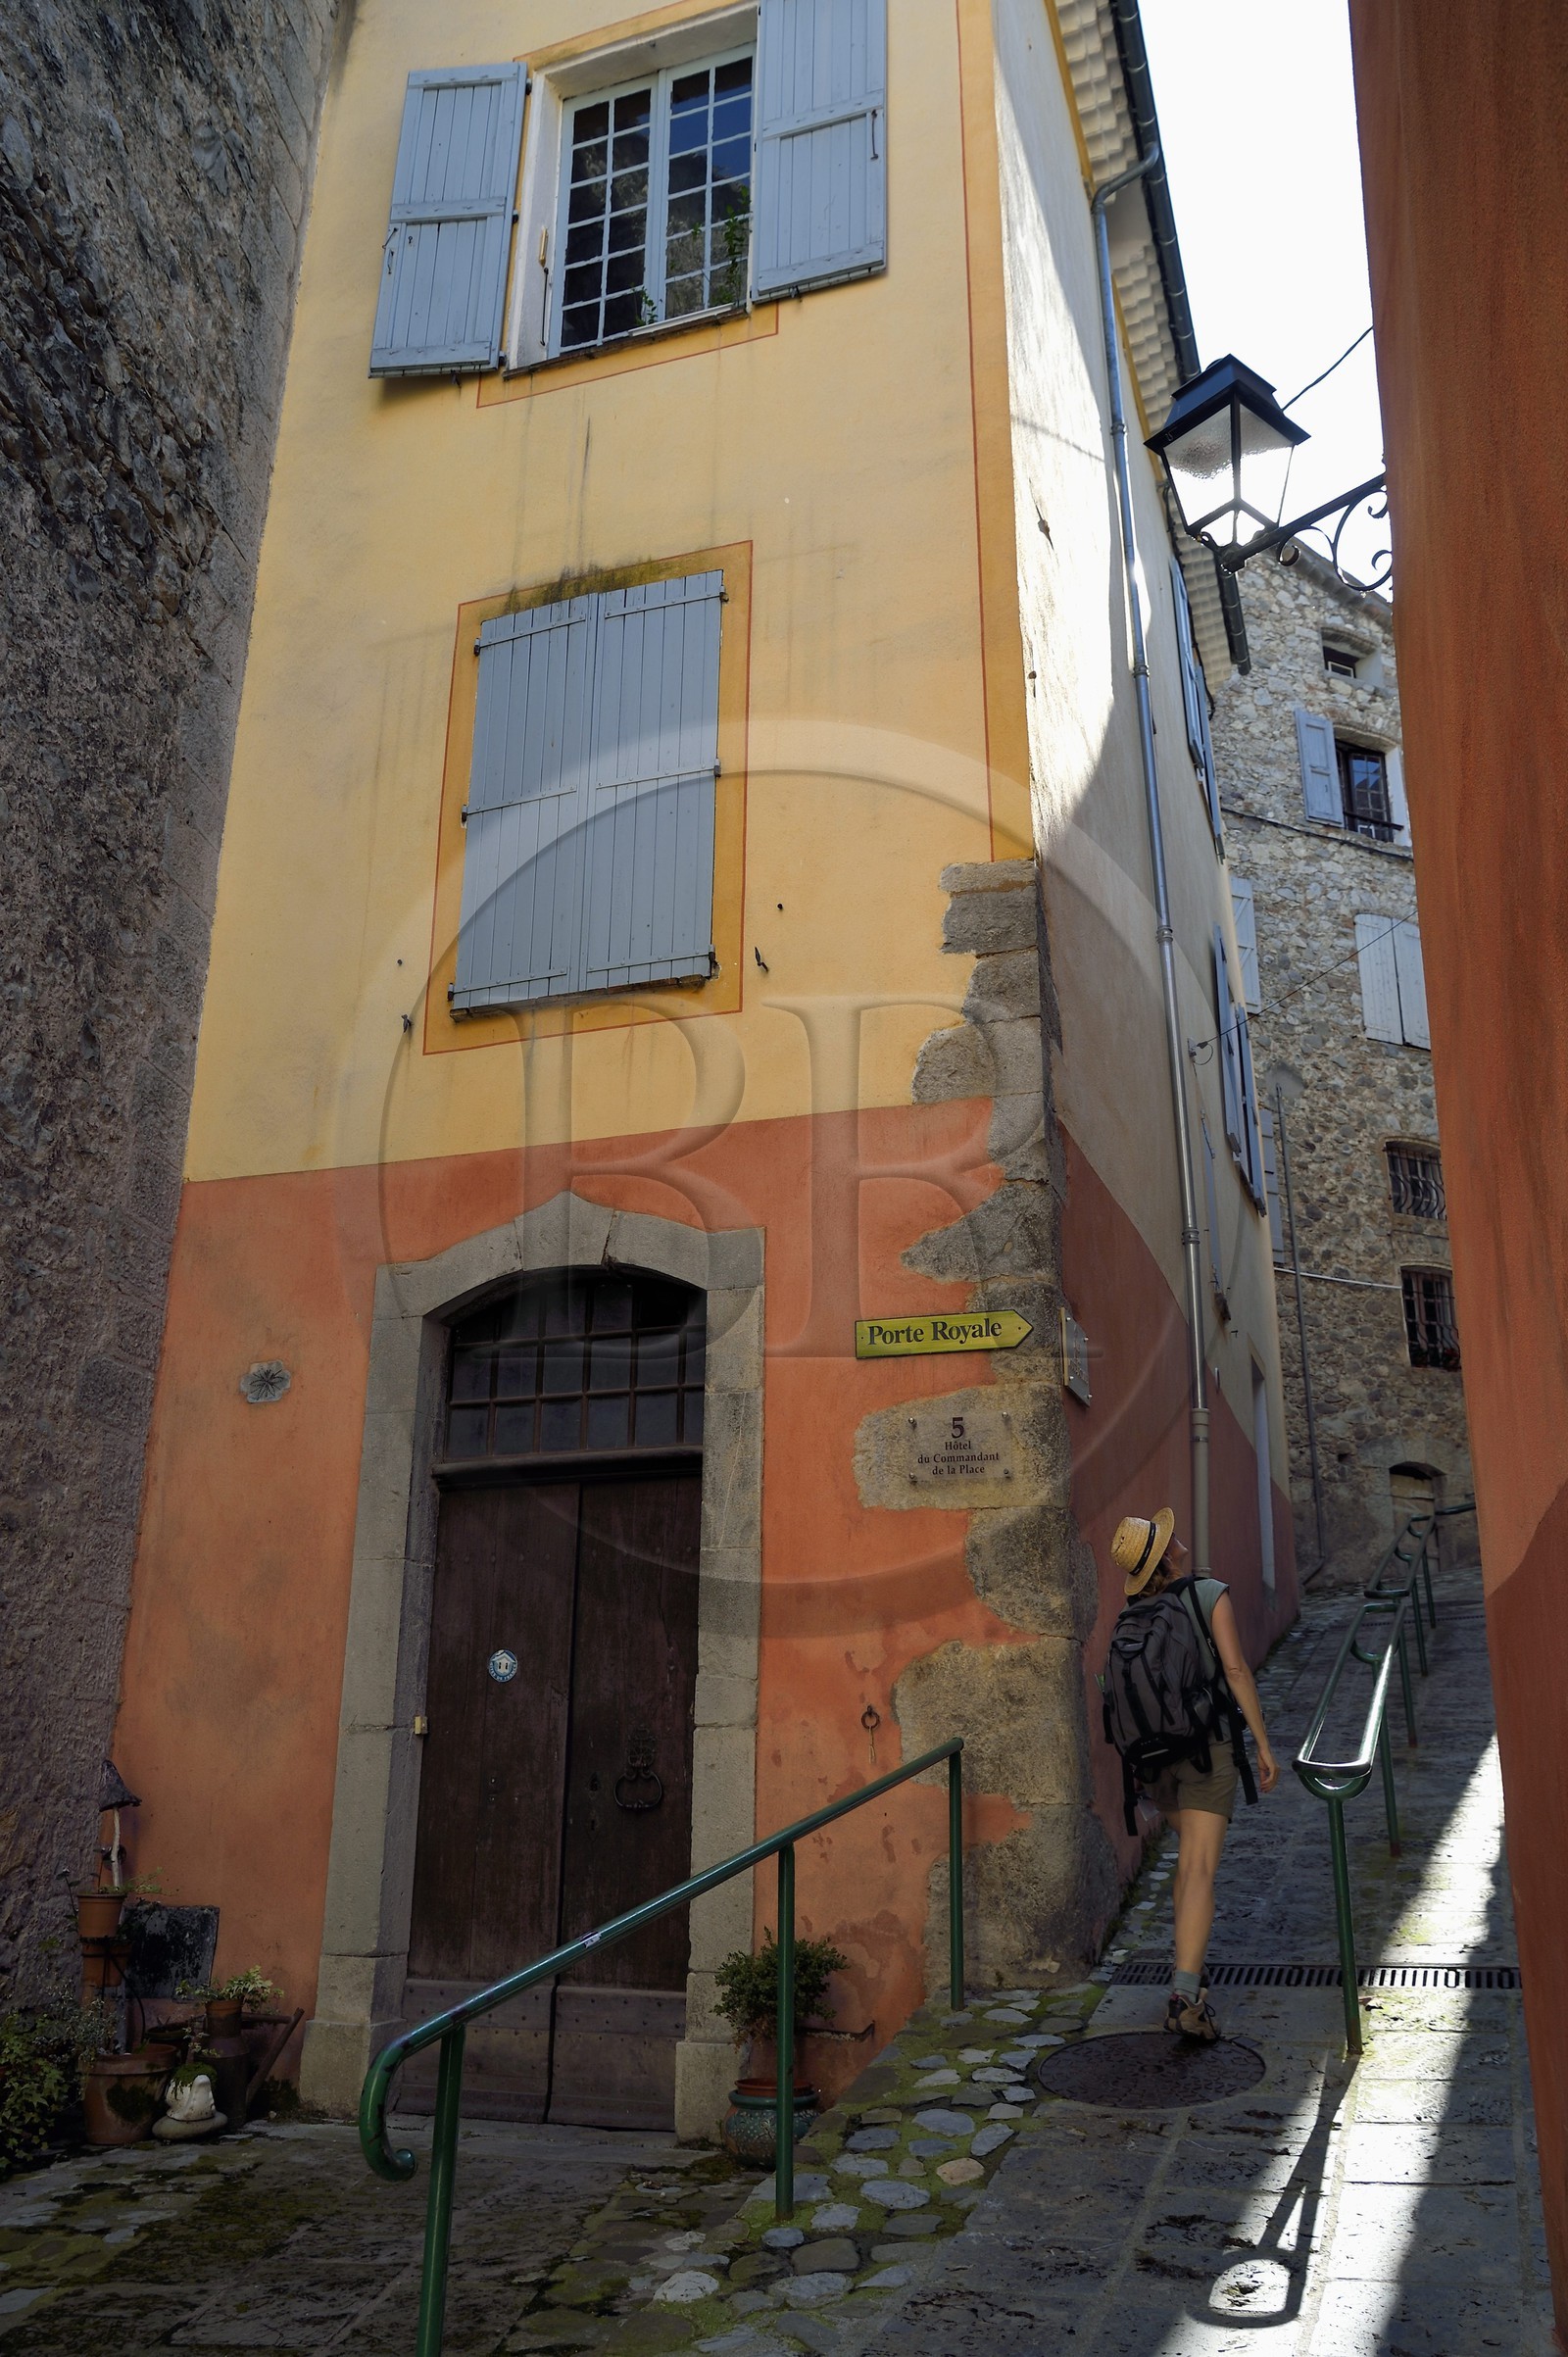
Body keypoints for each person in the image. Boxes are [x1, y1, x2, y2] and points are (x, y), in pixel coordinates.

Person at [1109, 1510, 1280, 2042]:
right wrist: (1263, 1743)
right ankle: (1185, 1997)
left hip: (1155, 1761)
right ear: (1167, 1555)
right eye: (1170, 1538)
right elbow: (1235, 1671)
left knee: (1189, 1864)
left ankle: (1190, 1969)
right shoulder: (1209, 1595)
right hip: (1207, 1748)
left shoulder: (1135, 1612)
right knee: (1201, 1868)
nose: (1180, 1539)